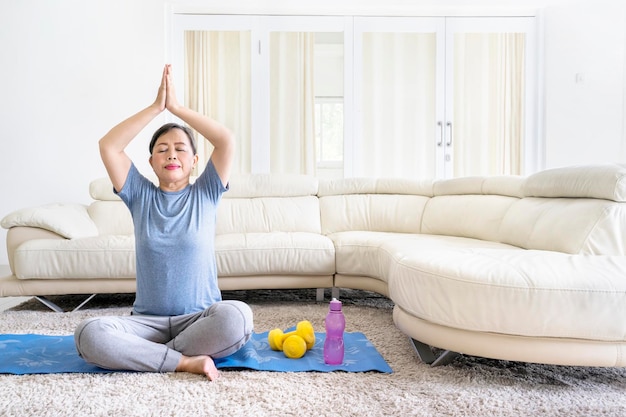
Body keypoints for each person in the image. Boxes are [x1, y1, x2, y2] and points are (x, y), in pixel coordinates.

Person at [74, 64, 253, 381]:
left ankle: (154, 356)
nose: (172, 154)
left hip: (199, 320)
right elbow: (109, 146)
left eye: (181, 148)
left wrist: (179, 109)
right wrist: (157, 108)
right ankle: (185, 361)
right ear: (152, 161)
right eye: (163, 149)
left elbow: (225, 140)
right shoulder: (140, 194)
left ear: (195, 161)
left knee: (237, 317)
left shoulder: (206, 192)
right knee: (89, 333)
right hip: (146, 323)